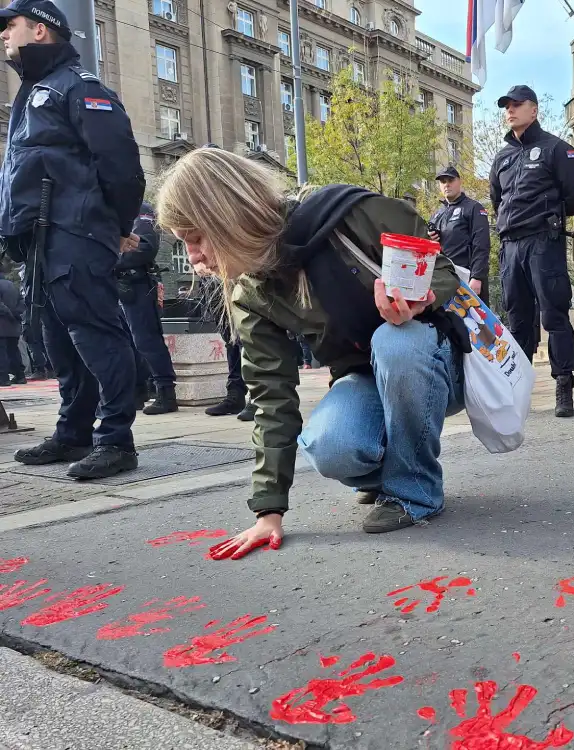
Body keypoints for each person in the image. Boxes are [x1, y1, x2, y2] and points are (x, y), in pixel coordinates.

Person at [155, 148, 467, 557]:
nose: (193, 257)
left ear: (226, 215)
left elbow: (442, 271)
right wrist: (268, 510)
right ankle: (388, 475)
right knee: (329, 445)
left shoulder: (351, 214)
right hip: (366, 376)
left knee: (396, 340)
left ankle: (414, 491)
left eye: (195, 239)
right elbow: (271, 397)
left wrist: (420, 300)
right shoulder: (250, 289)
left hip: (434, 363)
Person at [0, 0, 145, 478]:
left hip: (74, 232)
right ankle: (74, 432)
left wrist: (115, 228)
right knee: (58, 339)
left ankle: (115, 439)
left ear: (40, 31)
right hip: (38, 238)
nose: (4, 35)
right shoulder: (32, 91)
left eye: (11, 26)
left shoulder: (78, 88)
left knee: (95, 332)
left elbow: (122, 167)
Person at [490, 85, 574, 418]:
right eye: (507, 106)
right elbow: (496, 201)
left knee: (554, 315)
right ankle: (517, 389)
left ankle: (563, 385)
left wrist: (547, 219)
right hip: (510, 247)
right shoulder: (502, 157)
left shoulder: (557, 150)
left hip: (544, 243)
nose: (510, 111)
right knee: (516, 320)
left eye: (517, 105)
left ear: (534, 110)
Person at [117, 202, 179, 415]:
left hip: (138, 285)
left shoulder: (140, 209)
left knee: (147, 340)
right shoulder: (113, 210)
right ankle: (137, 391)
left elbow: (145, 247)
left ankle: (166, 392)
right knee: (127, 342)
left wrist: (106, 259)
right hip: (120, 287)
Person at [428, 166, 492, 305]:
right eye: (442, 181)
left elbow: (481, 244)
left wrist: (477, 276)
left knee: (478, 324)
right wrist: (429, 239)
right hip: (443, 281)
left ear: (459, 182)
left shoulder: (474, 208)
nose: (446, 184)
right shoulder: (437, 214)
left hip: (468, 278)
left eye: (450, 180)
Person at [0, 269, 26, 386]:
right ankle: (20, 375)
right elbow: (21, 303)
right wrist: (16, 316)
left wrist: (9, 314)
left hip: (2, 323)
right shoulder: (12, 286)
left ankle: (3, 377)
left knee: (2, 353)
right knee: (14, 351)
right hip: (14, 324)